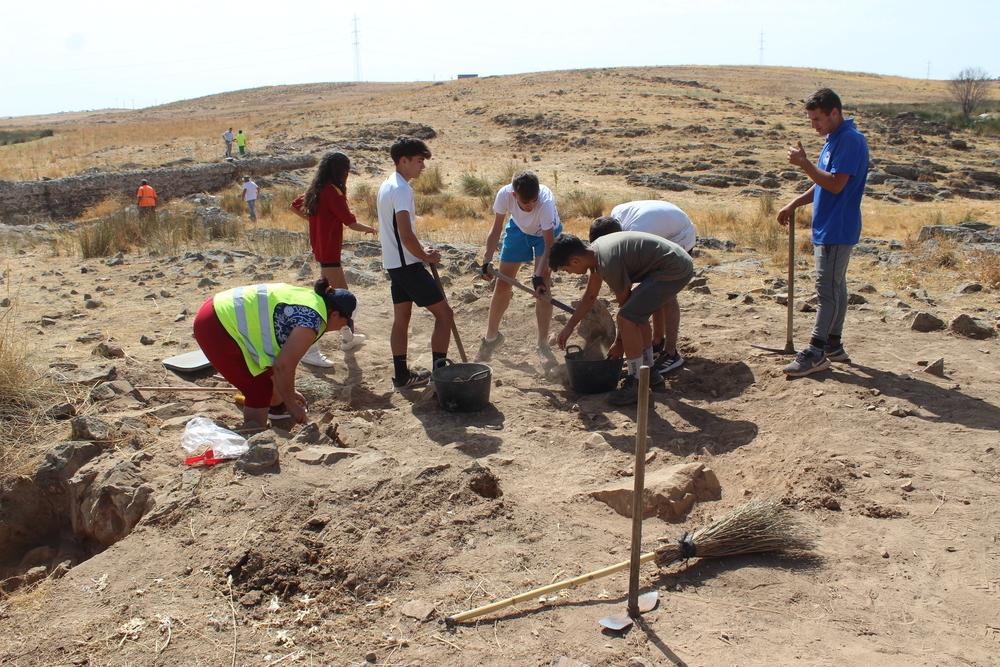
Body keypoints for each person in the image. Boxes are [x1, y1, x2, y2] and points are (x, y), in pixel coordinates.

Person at [776, 88, 869, 377]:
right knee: (835, 286)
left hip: (837, 226)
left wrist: (804, 164)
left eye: (817, 119)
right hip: (830, 225)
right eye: (810, 120)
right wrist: (795, 202)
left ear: (834, 113)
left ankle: (816, 352)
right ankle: (833, 345)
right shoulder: (835, 139)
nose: (813, 125)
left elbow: (836, 184)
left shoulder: (850, 140)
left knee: (826, 290)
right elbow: (823, 181)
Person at [549, 232, 693, 406]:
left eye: (566, 270)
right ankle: (649, 371)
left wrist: (619, 343)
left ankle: (636, 382)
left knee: (627, 317)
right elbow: (590, 295)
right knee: (634, 314)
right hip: (673, 261)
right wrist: (569, 327)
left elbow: (627, 313)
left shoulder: (609, 264)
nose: (570, 273)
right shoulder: (595, 253)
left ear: (575, 261)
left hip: (673, 268)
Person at [192, 277, 357, 426]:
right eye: (343, 324)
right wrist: (292, 406)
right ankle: (254, 440)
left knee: (266, 374)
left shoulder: (312, 301)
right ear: (334, 314)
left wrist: (289, 394)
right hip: (216, 324)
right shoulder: (311, 322)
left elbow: (276, 361)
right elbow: (284, 366)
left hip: (216, 308)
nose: (339, 329)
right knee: (258, 390)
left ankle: (277, 409)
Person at [377, 135, 453, 391]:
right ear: (404, 160)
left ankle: (402, 377)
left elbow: (402, 234)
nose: (423, 166)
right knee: (445, 316)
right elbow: (405, 235)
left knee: (402, 319)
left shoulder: (388, 184)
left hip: (395, 265)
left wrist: (422, 248)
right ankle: (439, 376)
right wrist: (425, 255)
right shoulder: (401, 189)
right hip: (408, 266)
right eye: (420, 160)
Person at [290, 152, 377, 368]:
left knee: (346, 299)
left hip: (324, 250)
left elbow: (294, 206)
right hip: (329, 253)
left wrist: (315, 220)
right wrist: (371, 229)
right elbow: (350, 222)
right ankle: (309, 349)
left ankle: (348, 338)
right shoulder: (332, 192)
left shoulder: (316, 189)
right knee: (323, 304)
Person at [589, 200, 696, 373]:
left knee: (666, 294)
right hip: (662, 226)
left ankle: (671, 353)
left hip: (680, 234)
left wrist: (621, 341)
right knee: (648, 290)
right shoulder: (615, 218)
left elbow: (628, 300)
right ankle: (656, 342)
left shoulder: (636, 234)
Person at [476, 170, 561, 369]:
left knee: (543, 289)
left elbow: (549, 244)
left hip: (545, 235)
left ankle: (542, 345)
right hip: (519, 229)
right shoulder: (504, 195)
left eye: (534, 200)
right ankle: (491, 339)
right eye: (526, 202)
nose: (531, 205)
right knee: (502, 282)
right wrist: (486, 261)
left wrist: (538, 275)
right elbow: (496, 228)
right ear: (514, 195)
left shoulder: (545, 203)